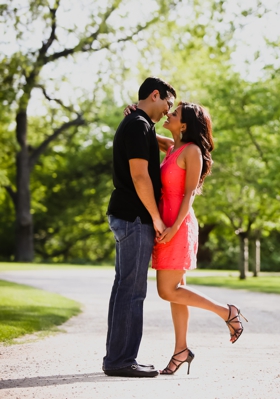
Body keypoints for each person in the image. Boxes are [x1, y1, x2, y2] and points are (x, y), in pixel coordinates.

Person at [124, 101, 248, 376]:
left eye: (175, 113)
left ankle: (226, 311)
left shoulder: (192, 152)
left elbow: (190, 194)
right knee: (176, 292)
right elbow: (147, 134)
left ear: (185, 125)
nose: (169, 113)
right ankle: (181, 349)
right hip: (167, 223)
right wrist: (138, 115)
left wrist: (174, 227)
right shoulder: (173, 147)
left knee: (167, 290)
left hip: (178, 226)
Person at [103, 77, 176, 378]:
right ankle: (122, 360)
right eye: (167, 105)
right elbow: (139, 176)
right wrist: (156, 217)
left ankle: (117, 358)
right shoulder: (137, 124)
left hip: (128, 215)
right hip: (135, 217)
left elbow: (170, 145)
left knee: (125, 288)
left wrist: (146, 120)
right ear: (155, 95)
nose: (168, 112)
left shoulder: (140, 124)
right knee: (132, 291)